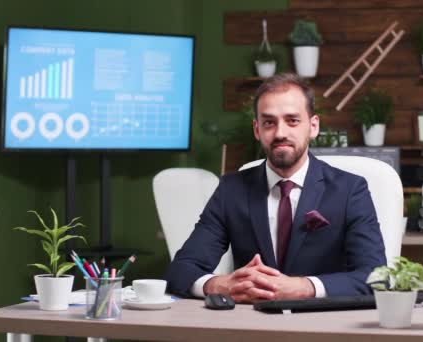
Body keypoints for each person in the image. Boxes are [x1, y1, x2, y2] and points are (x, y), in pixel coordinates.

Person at [164, 73, 385, 303]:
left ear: (313, 126)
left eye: (292, 121)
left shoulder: (350, 190)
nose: (280, 133)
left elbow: (376, 276)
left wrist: (305, 287)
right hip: (250, 327)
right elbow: (181, 270)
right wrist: (219, 284)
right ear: (257, 129)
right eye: (269, 122)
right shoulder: (231, 190)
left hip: (323, 326)